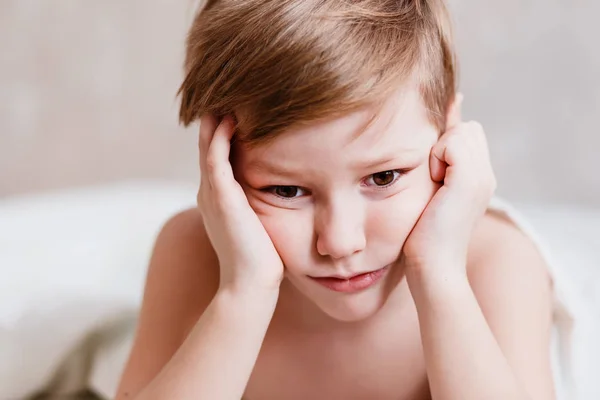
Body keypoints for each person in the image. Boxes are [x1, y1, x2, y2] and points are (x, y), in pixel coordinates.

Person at [115, 1, 572, 399]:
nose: (340, 242)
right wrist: (244, 293)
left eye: (384, 176)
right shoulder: (192, 253)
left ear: (449, 134)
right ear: (221, 168)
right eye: (287, 190)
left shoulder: (496, 262)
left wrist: (440, 276)